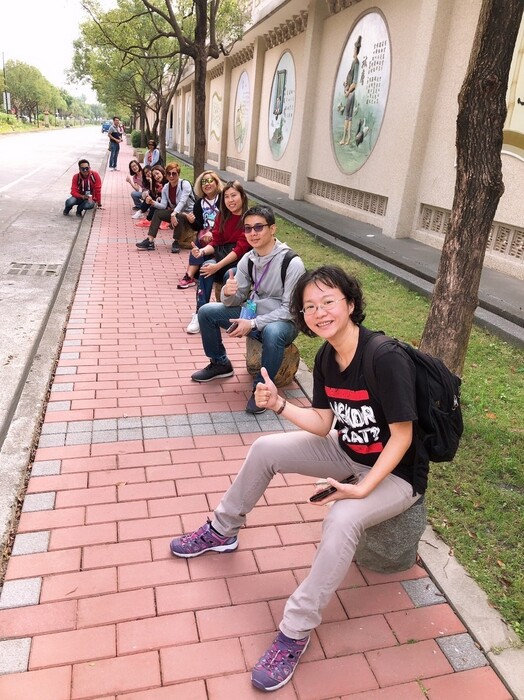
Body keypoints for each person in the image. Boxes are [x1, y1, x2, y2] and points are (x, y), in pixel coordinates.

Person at [170, 265, 427, 692]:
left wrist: (363, 489)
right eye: (309, 307)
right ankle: (223, 529)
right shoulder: (328, 355)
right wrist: (279, 406)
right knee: (266, 448)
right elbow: (325, 423)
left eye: (328, 302)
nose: (319, 312)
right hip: (346, 451)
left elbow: (403, 435)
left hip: (395, 474)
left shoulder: (384, 357)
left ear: (350, 303)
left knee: (342, 520)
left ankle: (295, 630)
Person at [190, 204, 305, 415]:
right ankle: (220, 363)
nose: (253, 233)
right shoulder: (248, 258)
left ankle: (262, 390)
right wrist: (228, 291)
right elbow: (234, 300)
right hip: (253, 315)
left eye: (259, 227)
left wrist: (252, 324)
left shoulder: (292, 262)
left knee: (272, 332)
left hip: (284, 322)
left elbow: (289, 310)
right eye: (248, 228)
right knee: (206, 312)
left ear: (273, 229)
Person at [185, 180, 250, 335]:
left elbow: (240, 249)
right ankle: (199, 313)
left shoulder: (248, 218)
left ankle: (228, 317)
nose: (230, 200)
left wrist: (218, 266)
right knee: (205, 267)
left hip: (239, 262)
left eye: (234, 195)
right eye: (226, 196)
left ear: (242, 196)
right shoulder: (222, 215)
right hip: (222, 256)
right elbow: (216, 242)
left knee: (229, 275)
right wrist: (201, 252)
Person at [177, 170, 223, 289]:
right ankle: (189, 276)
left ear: (216, 183)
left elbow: (226, 220)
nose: (207, 184)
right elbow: (198, 226)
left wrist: (213, 232)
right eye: (203, 182)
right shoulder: (199, 204)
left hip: (221, 232)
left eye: (209, 181)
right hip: (204, 235)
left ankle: (190, 274)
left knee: (200, 241)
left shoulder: (223, 199)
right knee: (198, 242)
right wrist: (192, 222)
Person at [136, 162, 194, 253]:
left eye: (174, 173)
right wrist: (152, 202)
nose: (171, 176)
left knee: (178, 216)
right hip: (177, 213)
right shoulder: (166, 187)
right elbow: (163, 205)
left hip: (189, 213)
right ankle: (150, 241)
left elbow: (182, 202)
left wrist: (174, 214)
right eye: (169, 174)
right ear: (166, 175)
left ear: (178, 174)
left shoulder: (185, 184)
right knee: (158, 212)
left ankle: (176, 241)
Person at [340, 35, 361, 146]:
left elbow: (355, 82)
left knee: (348, 117)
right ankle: (345, 138)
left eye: (354, 49)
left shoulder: (356, 63)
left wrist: (348, 91)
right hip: (349, 93)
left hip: (351, 95)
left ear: (356, 50)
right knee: (347, 117)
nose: (353, 51)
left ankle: (347, 138)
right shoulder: (354, 63)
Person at [134, 165, 167, 232]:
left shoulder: (167, 182)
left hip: (169, 204)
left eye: (157, 173)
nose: (156, 176)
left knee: (154, 201)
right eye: (154, 175)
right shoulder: (154, 182)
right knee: (150, 198)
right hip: (160, 201)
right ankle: (144, 215)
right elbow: (152, 193)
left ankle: (150, 219)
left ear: (162, 172)